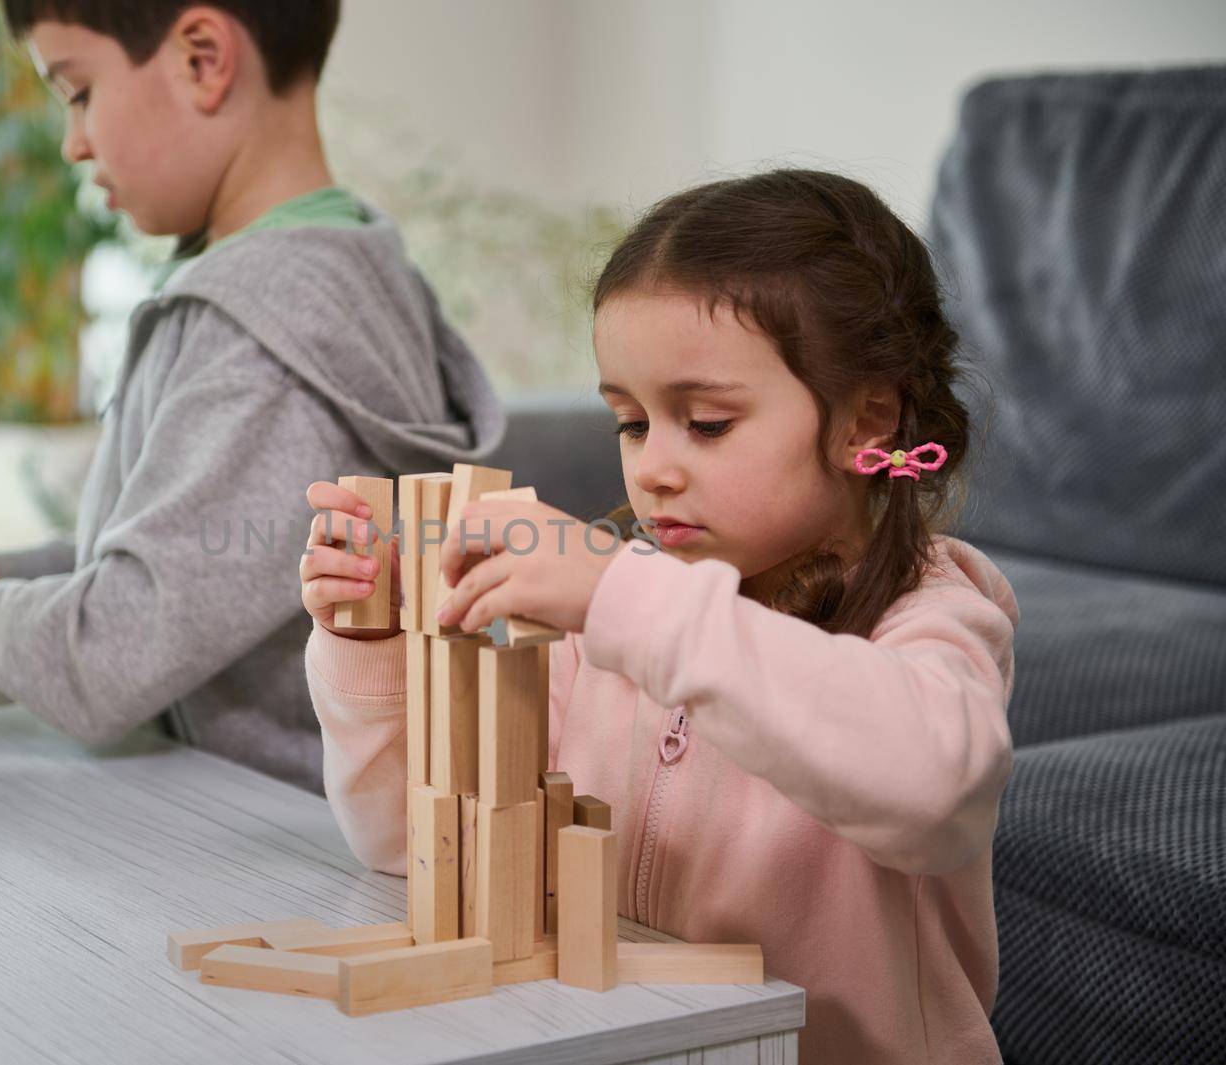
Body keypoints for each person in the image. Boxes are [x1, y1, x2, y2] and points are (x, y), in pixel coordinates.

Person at [301, 170, 1018, 1062]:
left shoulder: (930, 611)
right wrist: (370, 646)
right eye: (633, 423)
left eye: (707, 423)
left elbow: (933, 784)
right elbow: (418, 850)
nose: (654, 469)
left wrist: (622, 598)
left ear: (865, 423)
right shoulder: (594, 635)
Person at [0, 0, 504, 793]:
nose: (73, 142)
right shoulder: (326, 270)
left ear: (203, 59)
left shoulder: (265, 344)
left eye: (77, 92)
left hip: (286, 852)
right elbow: (172, 550)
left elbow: (110, 651)